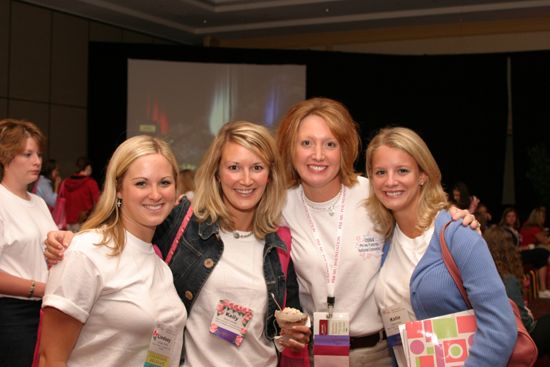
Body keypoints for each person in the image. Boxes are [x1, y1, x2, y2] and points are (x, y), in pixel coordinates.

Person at [44, 121, 310, 367]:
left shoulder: (279, 244)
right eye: (233, 167)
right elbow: (125, 231)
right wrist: (73, 240)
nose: (246, 179)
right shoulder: (186, 225)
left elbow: (276, 328)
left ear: (270, 175)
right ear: (217, 172)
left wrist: (289, 335)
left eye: (257, 167)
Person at [275, 98, 478, 366]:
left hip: (379, 353)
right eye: (306, 143)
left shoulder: (375, 193)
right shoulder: (279, 205)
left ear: (344, 149)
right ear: (291, 148)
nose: (318, 155)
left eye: (330, 144)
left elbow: (423, 216)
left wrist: (453, 216)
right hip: (315, 354)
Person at [366, 127, 516, 366]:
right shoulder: (386, 239)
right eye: (380, 172)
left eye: (402, 170)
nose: (390, 181)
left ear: (423, 175)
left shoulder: (457, 232)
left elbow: (500, 327)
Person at [39, 135, 187, 366]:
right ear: (118, 189)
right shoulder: (87, 251)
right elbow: (51, 358)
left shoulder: (159, 264)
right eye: (141, 183)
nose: (156, 194)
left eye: (165, 183)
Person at [0, 118, 57, 366]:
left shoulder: (38, 202)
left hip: (47, 310)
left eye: (39, 154)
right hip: (11, 315)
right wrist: (41, 288)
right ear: (5, 157)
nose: (37, 161)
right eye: (27, 154)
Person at [484, 225, 550, 358]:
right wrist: (528, 314)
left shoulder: (483, 275)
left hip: (494, 340)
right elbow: (525, 324)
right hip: (518, 342)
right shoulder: (507, 280)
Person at [501, 207, 550, 299]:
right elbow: (510, 249)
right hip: (513, 257)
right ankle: (542, 289)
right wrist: (528, 247)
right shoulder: (505, 231)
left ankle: (542, 290)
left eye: (513, 216)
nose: (511, 218)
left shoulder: (515, 230)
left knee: (542, 254)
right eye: (509, 216)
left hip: (519, 253)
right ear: (505, 218)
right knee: (542, 252)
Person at [62, 156, 100, 232]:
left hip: (66, 223)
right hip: (84, 223)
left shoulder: (65, 182)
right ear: (88, 167)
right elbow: (98, 203)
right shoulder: (91, 183)